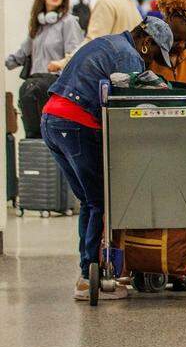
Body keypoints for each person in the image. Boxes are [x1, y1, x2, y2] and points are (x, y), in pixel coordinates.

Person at [40, 18, 174, 300]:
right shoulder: (128, 55)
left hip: (52, 120)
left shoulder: (106, 42)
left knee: (89, 200)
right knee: (98, 201)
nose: (150, 63)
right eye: (153, 55)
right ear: (145, 42)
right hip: (75, 123)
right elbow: (128, 111)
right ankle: (91, 278)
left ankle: (87, 273)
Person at [4, 0, 84, 138]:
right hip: (35, 85)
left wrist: (59, 64)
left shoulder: (68, 22)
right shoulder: (38, 24)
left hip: (55, 86)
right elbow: (22, 54)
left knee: (47, 135)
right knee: (33, 134)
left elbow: (75, 53)